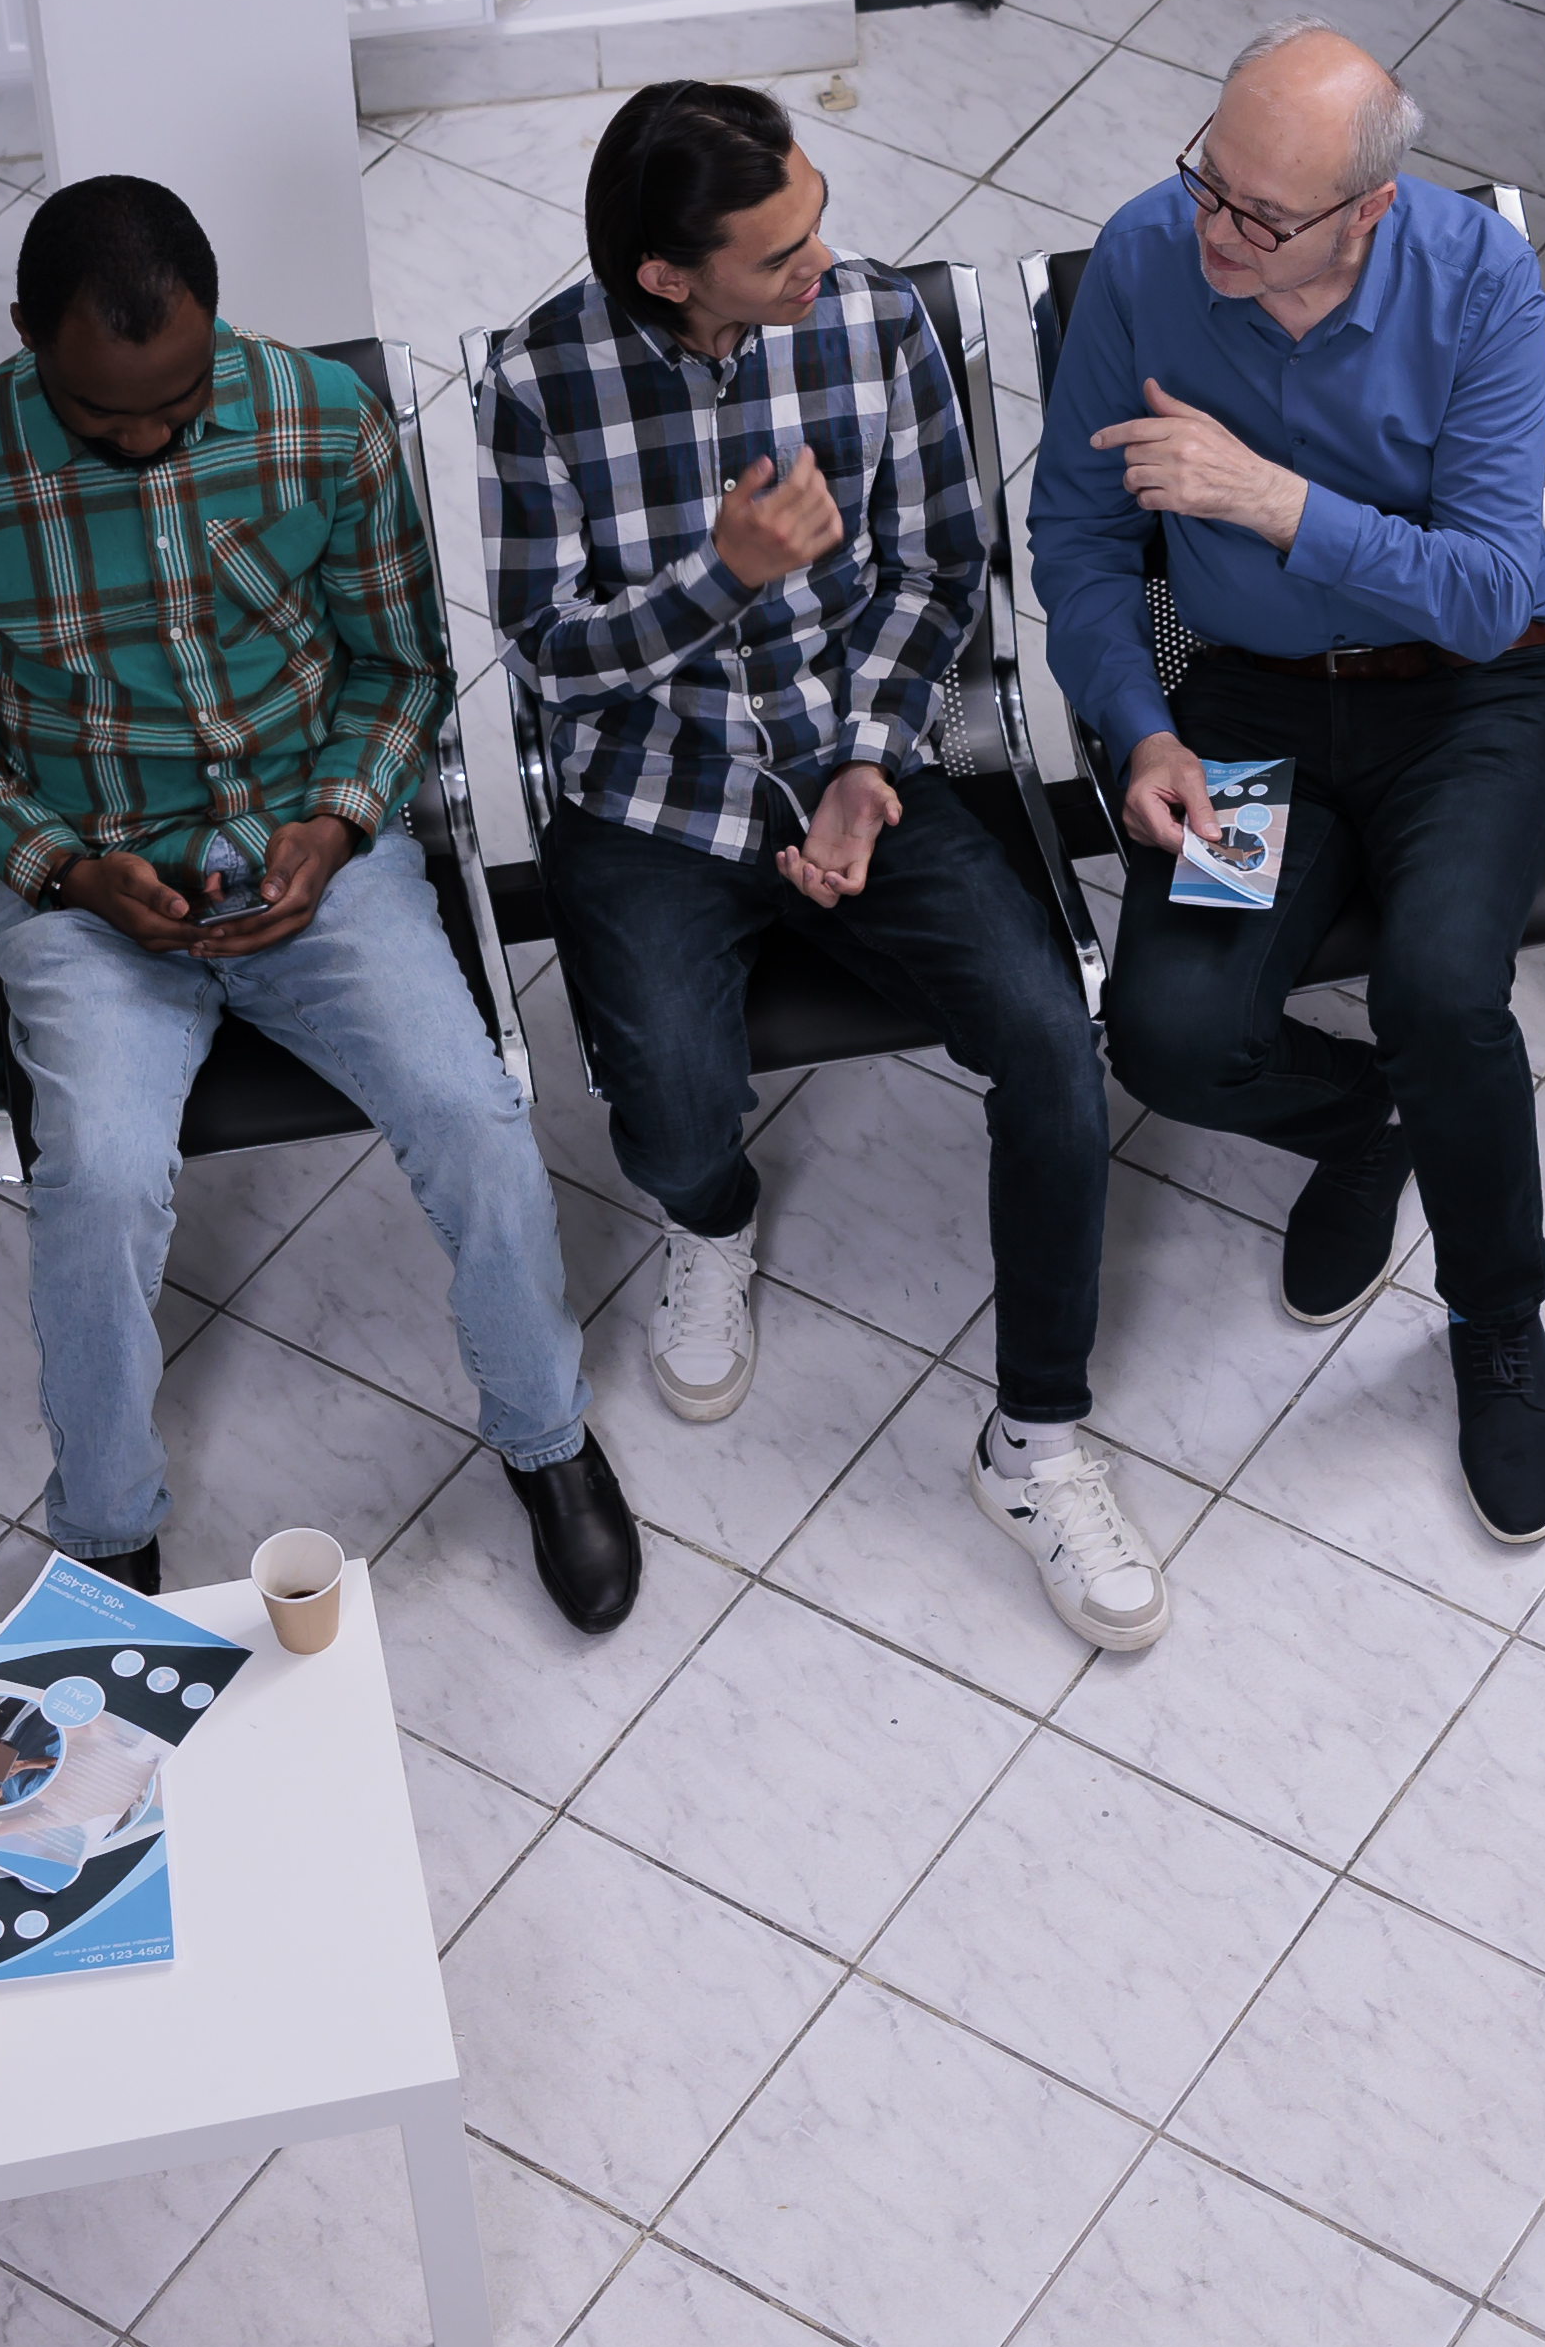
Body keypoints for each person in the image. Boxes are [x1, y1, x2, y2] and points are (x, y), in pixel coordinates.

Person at [0, 176, 642, 1631]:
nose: (146, 440)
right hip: (88, 883)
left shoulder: (322, 423)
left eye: (179, 403)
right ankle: (106, 1527)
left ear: (217, 326)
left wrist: (338, 824)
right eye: (105, 419)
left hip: (312, 852)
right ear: (26, 333)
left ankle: (546, 1436)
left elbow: (402, 670)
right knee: (97, 1178)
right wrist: (64, 869)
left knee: (474, 1114)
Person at [485, 83, 1162, 1652]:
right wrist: (720, 576)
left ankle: (1037, 1441)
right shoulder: (539, 381)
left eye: (817, 222)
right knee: (665, 1107)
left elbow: (938, 571)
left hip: (857, 759)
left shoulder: (871, 323)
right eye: (779, 251)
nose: (823, 263)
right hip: (651, 794)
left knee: (1051, 1038)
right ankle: (712, 1220)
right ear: (668, 274)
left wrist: (865, 765)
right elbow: (547, 662)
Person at [1035, 28, 1545, 1544]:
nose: (1217, 229)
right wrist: (1142, 727)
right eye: (1210, 181)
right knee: (1173, 1034)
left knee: (1442, 990)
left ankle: (1494, 1315)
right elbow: (1079, 538)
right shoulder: (1147, 256)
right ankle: (1365, 1125)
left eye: (1263, 217)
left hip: (1467, 699)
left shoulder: (1478, 280)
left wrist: (1275, 504)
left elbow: (1492, 590)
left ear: (1368, 211)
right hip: (1251, 705)